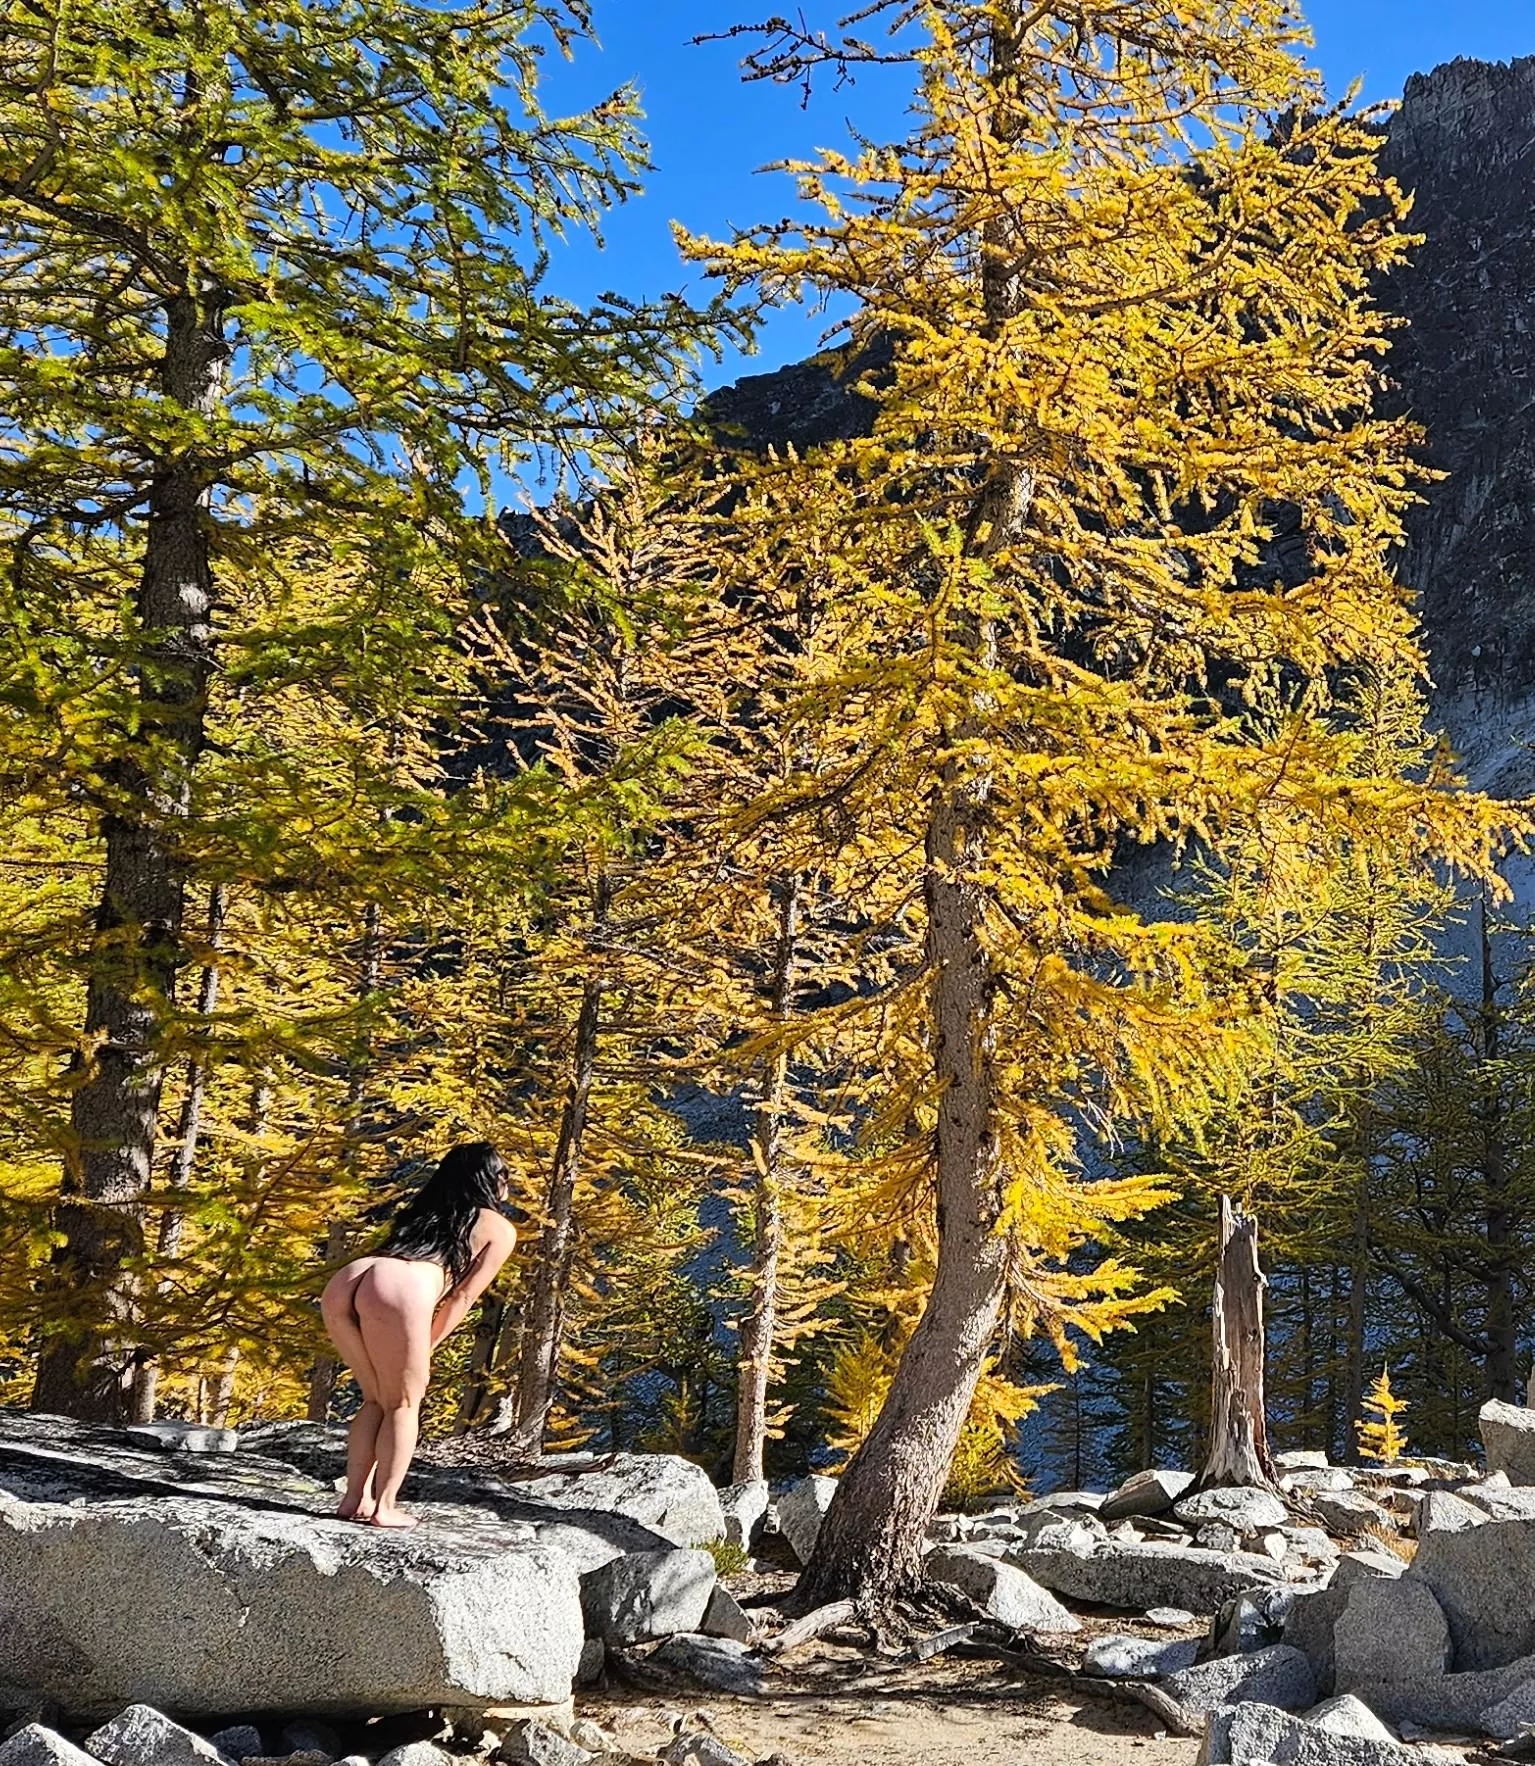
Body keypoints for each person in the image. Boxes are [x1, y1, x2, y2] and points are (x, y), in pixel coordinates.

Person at [320, 1141, 517, 1528]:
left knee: (376, 1398)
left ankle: (354, 1498)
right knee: (405, 1403)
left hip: (352, 1279)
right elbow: (461, 1297)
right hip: (401, 1288)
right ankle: (386, 1506)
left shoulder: (427, 1210)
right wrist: (425, 1346)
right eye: (504, 1175)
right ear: (493, 1180)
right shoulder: (498, 1228)